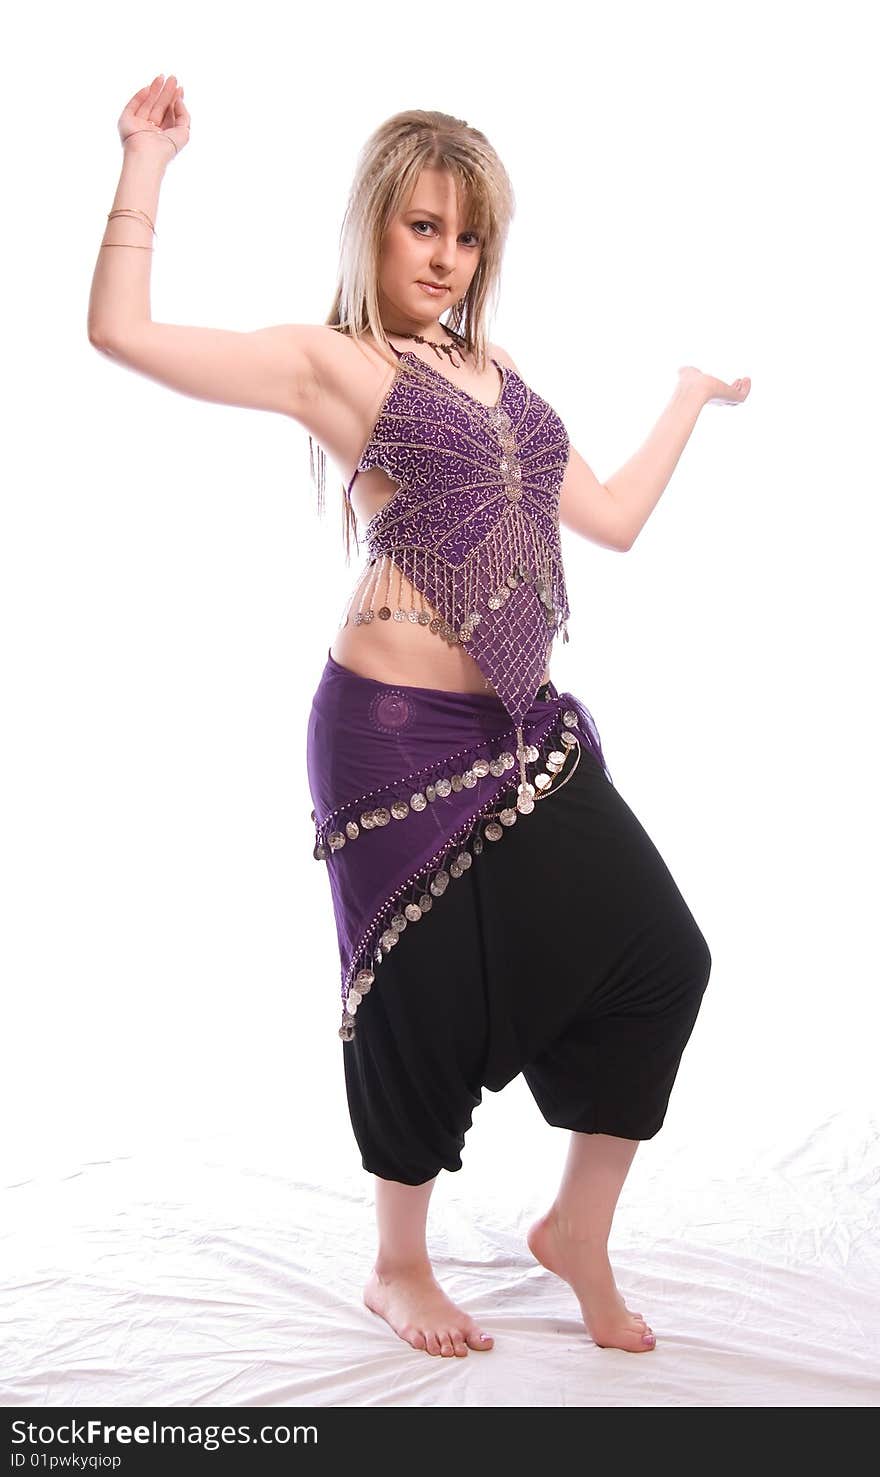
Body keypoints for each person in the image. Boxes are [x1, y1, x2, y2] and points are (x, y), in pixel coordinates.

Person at [88, 75, 750, 1362]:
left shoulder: (497, 369)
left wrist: (683, 398)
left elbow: (604, 520)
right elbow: (121, 332)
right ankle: (398, 1263)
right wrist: (145, 162)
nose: (446, 259)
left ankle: (576, 1231)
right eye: (423, 229)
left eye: (468, 236)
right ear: (376, 229)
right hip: (388, 731)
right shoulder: (331, 362)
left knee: (663, 958)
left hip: (517, 726)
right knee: (415, 997)